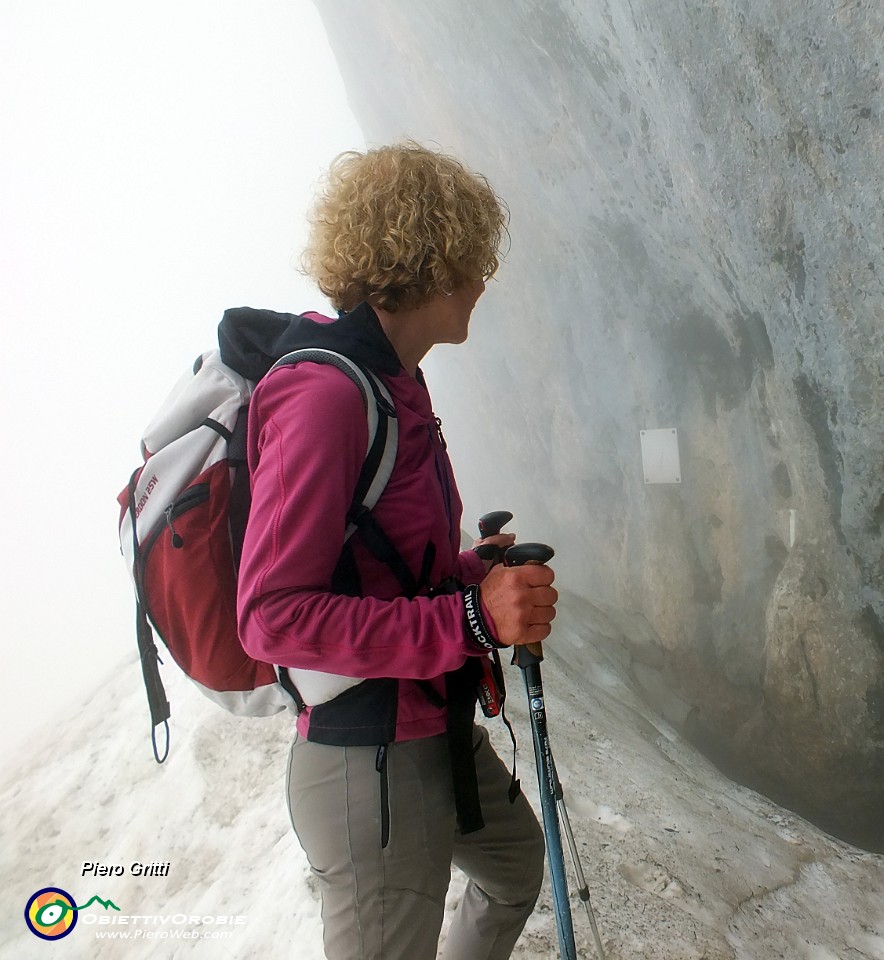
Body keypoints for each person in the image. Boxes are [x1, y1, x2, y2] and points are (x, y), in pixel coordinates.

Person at [231, 142, 555, 959]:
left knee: (515, 865)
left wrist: (470, 576)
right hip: (369, 763)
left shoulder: (394, 380)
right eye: (474, 257)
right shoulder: (330, 395)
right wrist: (471, 621)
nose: (484, 278)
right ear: (430, 257)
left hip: (428, 725)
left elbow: (378, 562)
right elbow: (270, 616)